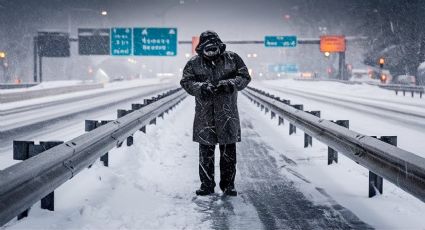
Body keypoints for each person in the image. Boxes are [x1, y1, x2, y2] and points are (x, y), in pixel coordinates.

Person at [180, 31, 251, 196]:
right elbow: (186, 82)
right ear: (201, 49)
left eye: (214, 49)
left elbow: (245, 77)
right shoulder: (193, 63)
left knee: (228, 154)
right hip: (205, 115)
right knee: (206, 154)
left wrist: (230, 84)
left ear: (219, 47)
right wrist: (201, 87)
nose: (211, 53)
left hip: (227, 114)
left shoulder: (232, 59)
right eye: (208, 50)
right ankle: (206, 185)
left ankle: (228, 186)